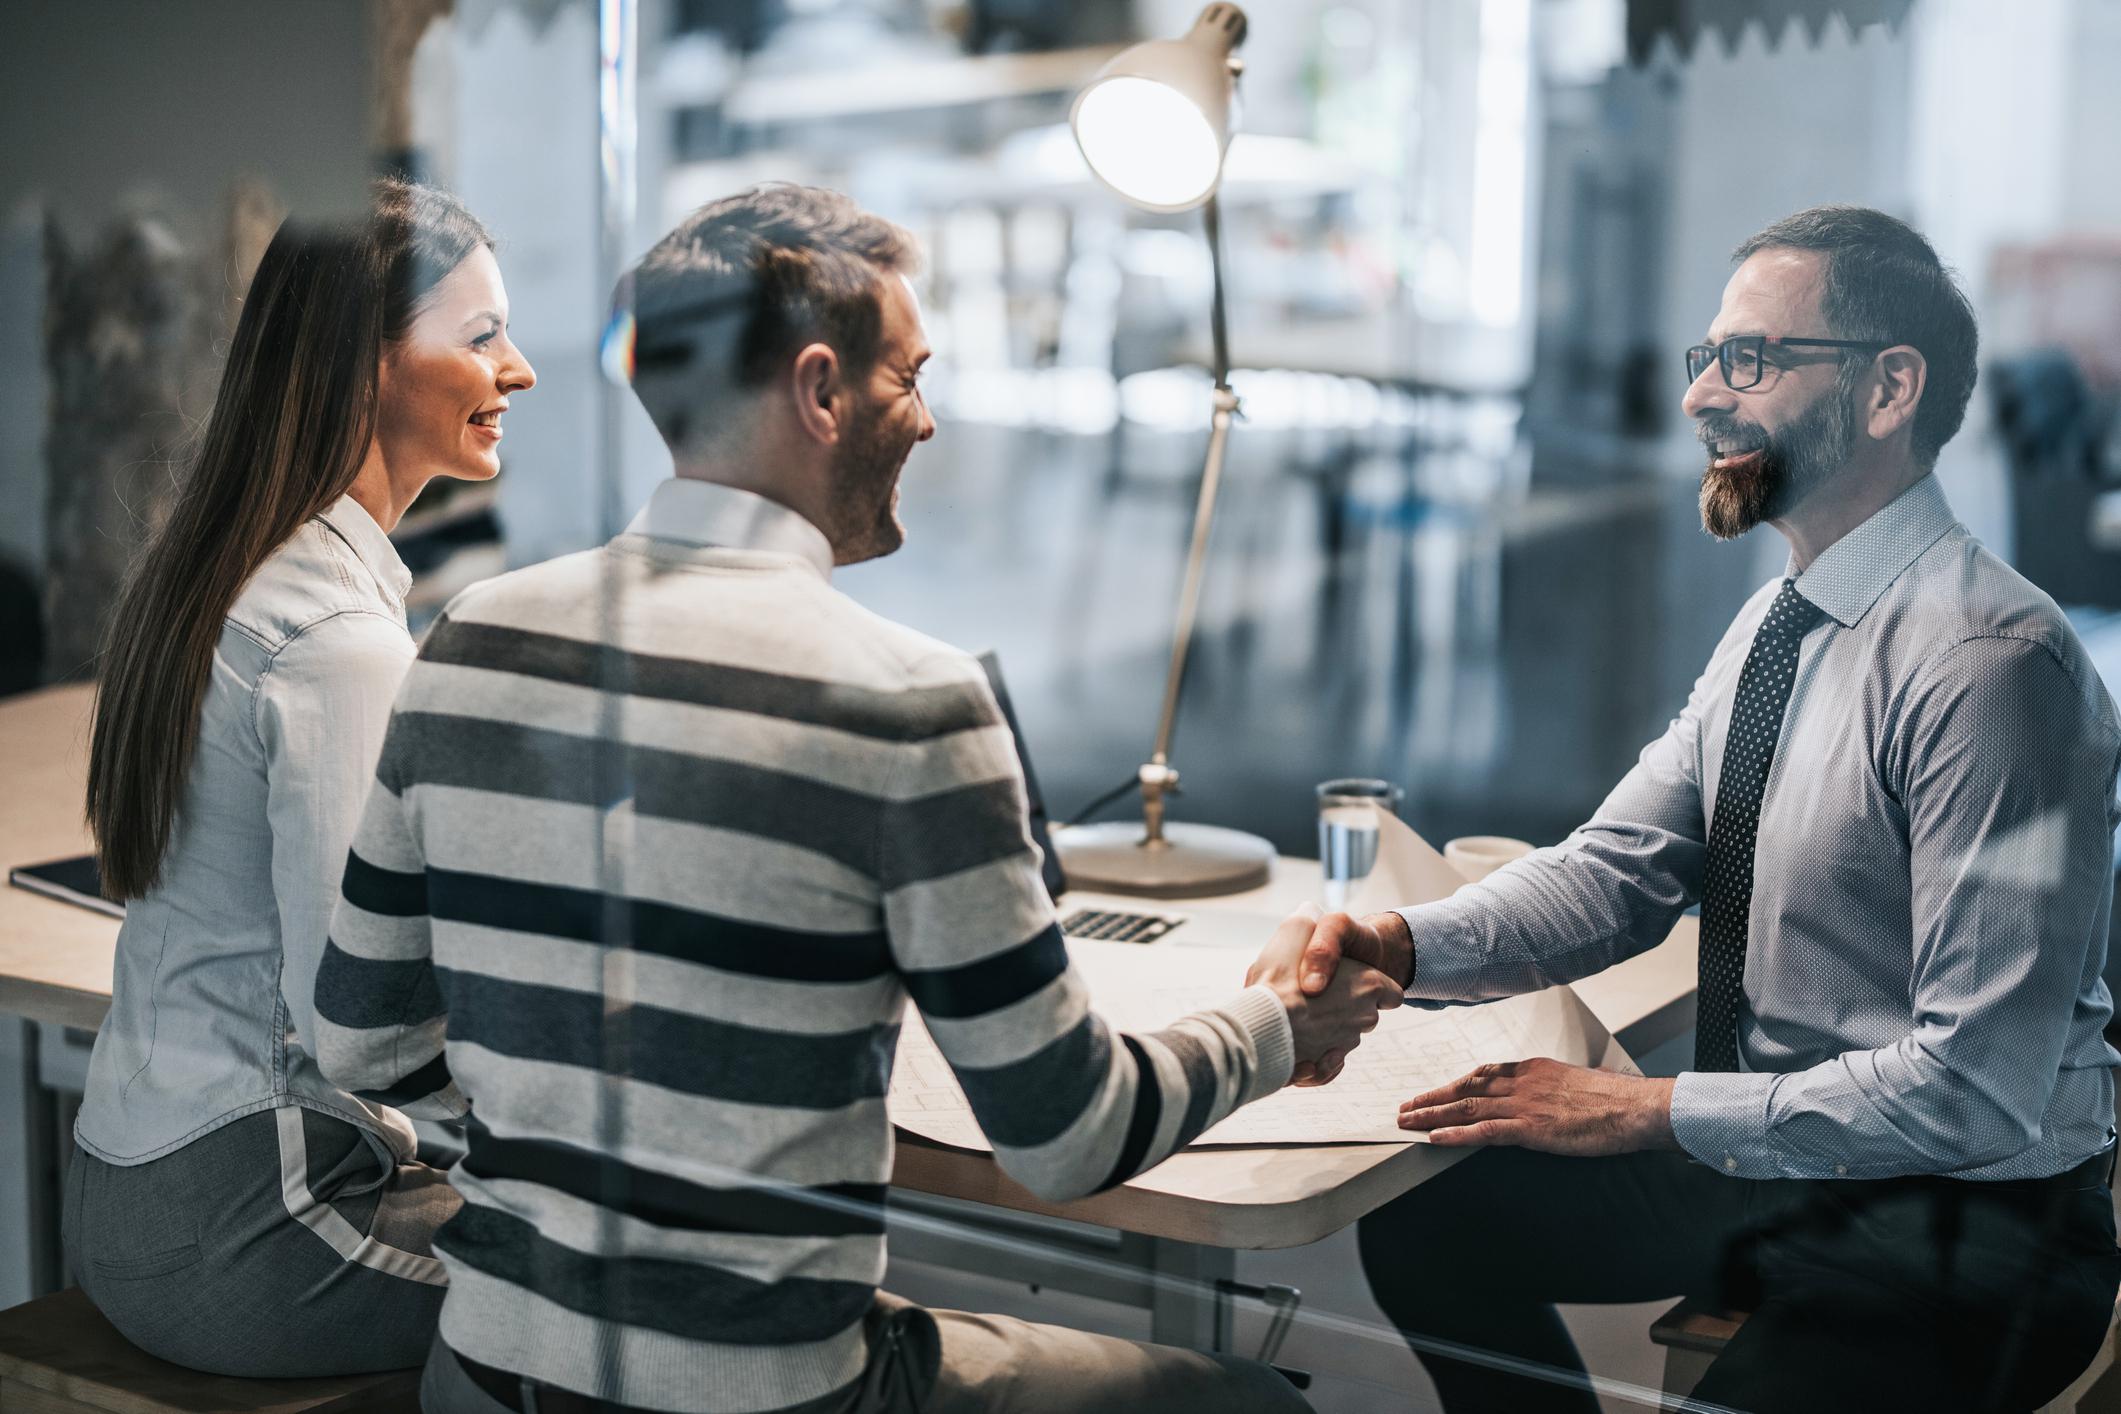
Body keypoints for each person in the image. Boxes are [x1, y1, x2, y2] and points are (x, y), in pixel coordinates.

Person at [311, 183, 1400, 1414]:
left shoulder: (469, 639)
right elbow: (1069, 1137)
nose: (927, 423)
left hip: (482, 1375)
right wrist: (1278, 1029)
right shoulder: (905, 698)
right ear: (821, 392)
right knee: (1249, 1404)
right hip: (763, 1393)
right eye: (909, 379)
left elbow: (366, 1042)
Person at [1293, 206, 2121, 1412]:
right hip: (1785, 1168)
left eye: (1753, 360)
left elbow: (1976, 1085)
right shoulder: (1779, 625)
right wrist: (1401, 946)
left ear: (1890, 389)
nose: (1701, 399)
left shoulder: (1994, 667)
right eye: (1708, 359)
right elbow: (1618, 869)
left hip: (1968, 1219)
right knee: (1434, 1220)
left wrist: (1642, 1108)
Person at [69, 179, 537, 1377]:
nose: (517, 369)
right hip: (253, 1230)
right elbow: (359, 1027)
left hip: (134, 1189)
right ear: (366, 365)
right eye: (480, 338)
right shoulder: (339, 642)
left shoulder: (220, 569)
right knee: (637, 1303)